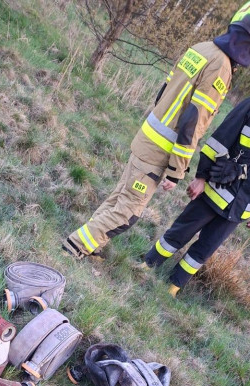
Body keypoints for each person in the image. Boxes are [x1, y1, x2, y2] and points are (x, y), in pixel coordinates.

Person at [62, 5, 250, 261]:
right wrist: (176, 171)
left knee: (120, 198)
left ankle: (90, 242)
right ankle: (74, 246)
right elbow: (192, 121)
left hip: (147, 137)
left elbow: (164, 90)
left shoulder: (202, 48)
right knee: (128, 212)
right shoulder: (221, 67)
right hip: (160, 150)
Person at [142, 96, 250, 296]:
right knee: (182, 230)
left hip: (241, 207)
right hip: (217, 186)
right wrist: (202, 176)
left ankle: (174, 285)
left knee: (206, 248)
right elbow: (221, 139)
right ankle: (149, 263)